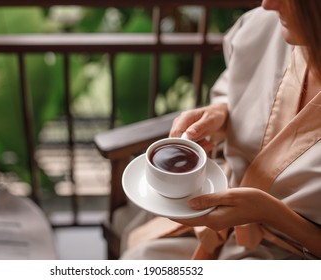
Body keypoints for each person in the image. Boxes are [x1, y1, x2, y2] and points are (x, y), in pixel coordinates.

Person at [121, 0, 321, 260]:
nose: (268, 4)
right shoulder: (268, 28)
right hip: (215, 226)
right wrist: (223, 113)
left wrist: (271, 214)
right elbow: (243, 93)